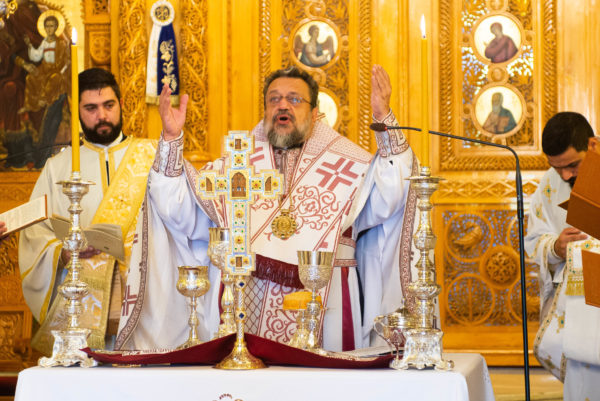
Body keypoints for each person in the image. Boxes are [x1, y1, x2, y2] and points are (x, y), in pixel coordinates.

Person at [115, 65, 420, 351]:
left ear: (315, 113)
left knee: (325, 383)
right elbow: (178, 210)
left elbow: (393, 194)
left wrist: (384, 120)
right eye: (274, 99)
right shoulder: (236, 165)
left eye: (294, 99)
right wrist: (172, 139)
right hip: (246, 299)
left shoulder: (348, 165)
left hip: (327, 301)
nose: (282, 105)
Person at [18, 68, 157, 354]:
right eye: (91, 108)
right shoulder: (58, 167)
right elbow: (34, 232)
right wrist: (63, 253)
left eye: (109, 105)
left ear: (121, 104)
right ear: (76, 110)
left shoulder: (152, 156)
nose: (102, 116)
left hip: (146, 299)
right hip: (81, 306)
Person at [525, 112, 599, 399]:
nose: (565, 176)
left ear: (592, 145)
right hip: (577, 307)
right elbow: (535, 238)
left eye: (572, 165)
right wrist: (556, 246)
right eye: (556, 168)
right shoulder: (550, 182)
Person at [19, 13, 68, 114]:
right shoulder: (44, 42)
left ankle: (44, 100)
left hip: (55, 70)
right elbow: (36, 56)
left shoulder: (61, 43)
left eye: (51, 26)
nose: (49, 29)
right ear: (44, 28)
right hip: (44, 69)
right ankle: (30, 105)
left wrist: (54, 68)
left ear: (56, 27)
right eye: (47, 26)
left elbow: (62, 61)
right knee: (30, 78)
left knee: (54, 79)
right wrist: (29, 45)